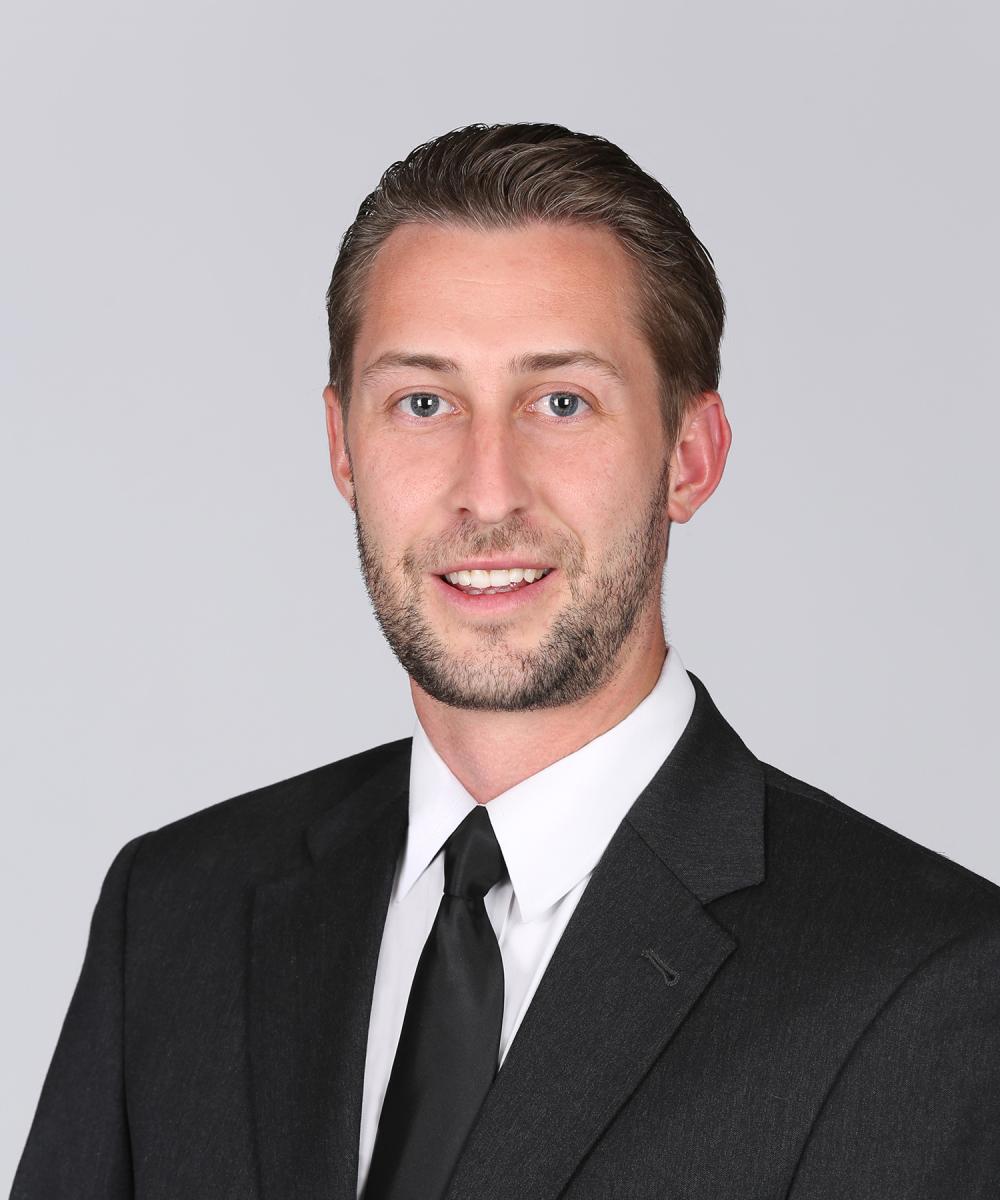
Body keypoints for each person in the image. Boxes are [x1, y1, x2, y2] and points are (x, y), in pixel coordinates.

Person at [12, 122, 1000, 1200]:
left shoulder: (926, 984)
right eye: (423, 403)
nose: (487, 490)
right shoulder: (174, 913)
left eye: (561, 402)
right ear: (343, 448)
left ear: (689, 455)